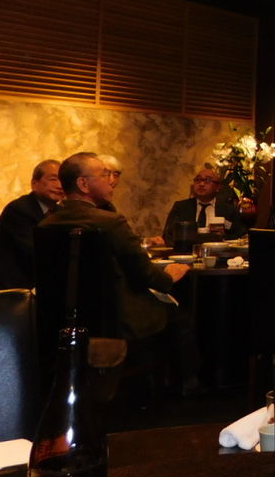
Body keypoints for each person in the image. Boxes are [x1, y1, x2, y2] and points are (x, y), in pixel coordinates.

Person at [40, 152, 199, 387]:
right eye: (104, 175)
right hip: (116, 316)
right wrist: (169, 276)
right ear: (83, 184)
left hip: (63, 317)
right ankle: (181, 386)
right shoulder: (110, 222)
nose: (111, 181)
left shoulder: (45, 225)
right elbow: (144, 273)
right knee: (178, 315)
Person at [0, 159, 64, 289]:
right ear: (34, 184)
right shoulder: (20, 210)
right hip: (12, 286)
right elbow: (36, 253)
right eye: (53, 179)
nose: (60, 186)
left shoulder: (58, 211)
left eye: (63, 180)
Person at [161, 164, 243, 243]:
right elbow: (168, 235)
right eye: (198, 180)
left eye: (207, 180)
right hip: (187, 250)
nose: (201, 184)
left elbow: (239, 236)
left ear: (218, 187)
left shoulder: (228, 210)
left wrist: (219, 238)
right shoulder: (181, 207)